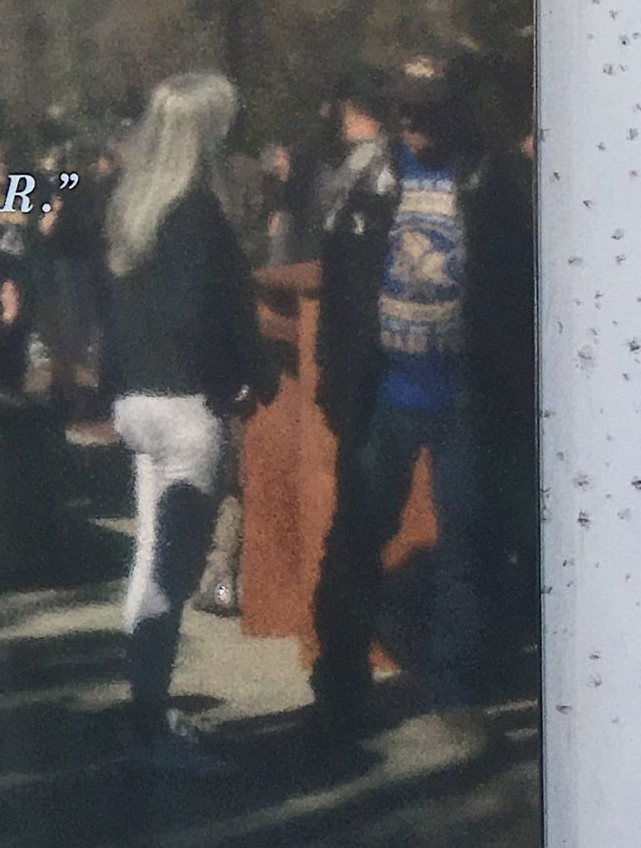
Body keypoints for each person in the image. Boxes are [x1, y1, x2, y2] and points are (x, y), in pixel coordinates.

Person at [308, 58, 535, 754]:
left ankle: (458, 694)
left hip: (468, 395)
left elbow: (523, 280)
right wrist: (336, 377)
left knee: (468, 544)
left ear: (457, 109)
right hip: (385, 395)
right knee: (356, 537)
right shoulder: (368, 180)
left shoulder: (495, 180)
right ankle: (340, 681)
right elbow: (340, 286)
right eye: (404, 107)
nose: (412, 120)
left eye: (427, 108)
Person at [101, 71, 279, 769]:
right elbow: (207, 313)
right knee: (172, 575)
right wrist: (238, 378)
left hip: (137, 401)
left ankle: (144, 707)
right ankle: (148, 725)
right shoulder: (198, 213)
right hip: (185, 407)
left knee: (150, 561)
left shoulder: (132, 204)